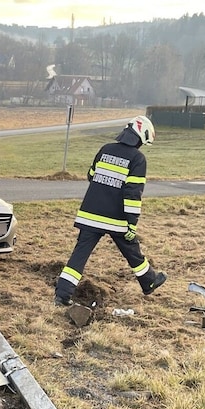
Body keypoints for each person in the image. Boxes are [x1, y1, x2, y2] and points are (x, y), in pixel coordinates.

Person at [54, 115, 166, 305]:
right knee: (132, 249)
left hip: (90, 214)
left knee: (79, 255)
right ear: (141, 137)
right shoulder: (138, 159)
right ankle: (149, 282)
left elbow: (91, 175)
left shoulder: (105, 149)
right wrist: (132, 224)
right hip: (116, 219)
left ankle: (62, 294)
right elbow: (132, 194)